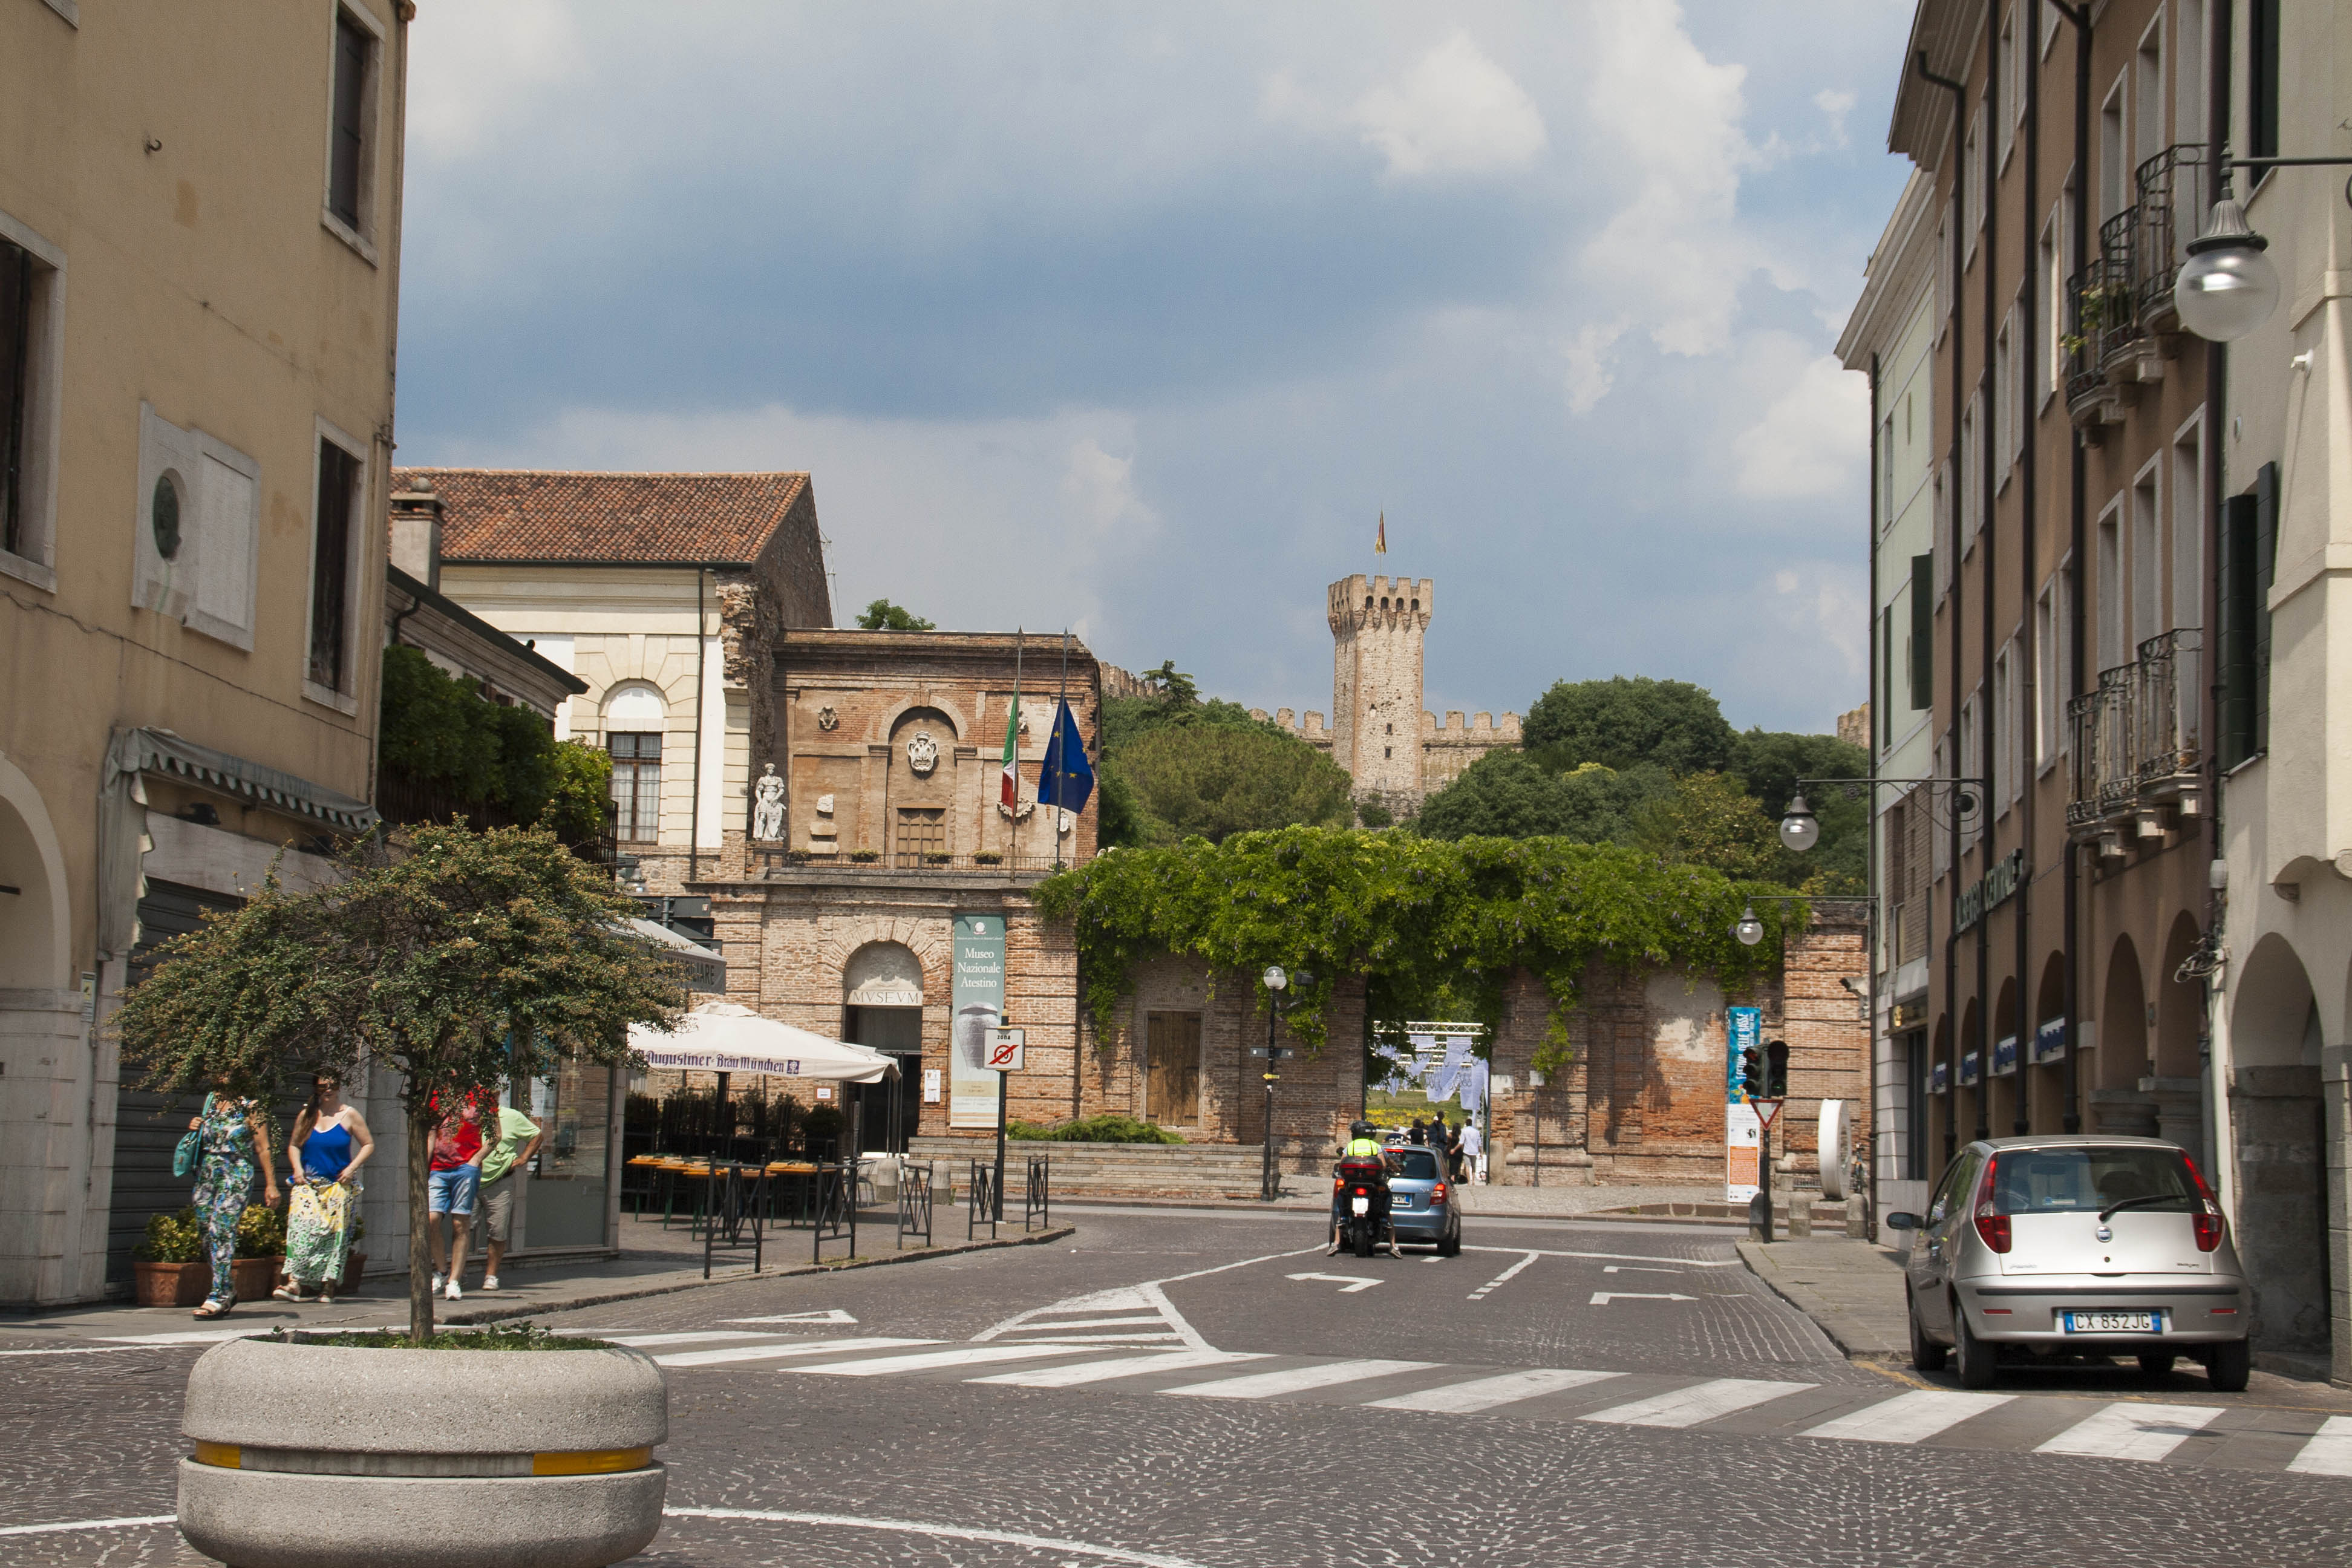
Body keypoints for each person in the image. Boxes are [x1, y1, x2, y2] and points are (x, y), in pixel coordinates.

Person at [275, 1072, 374, 1304]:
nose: (328, 1090)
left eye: (333, 1085)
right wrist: (297, 1169)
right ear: (315, 1088)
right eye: (322, 1086)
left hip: (337, 1187)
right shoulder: (307, 1115)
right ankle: (295, 1282)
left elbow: (368, 1144)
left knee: (335, 1236)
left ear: (340, 1087)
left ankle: (328, 1285)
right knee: (300, 1232)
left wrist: (351, 1169)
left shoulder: (350, 1115)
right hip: (308, 1186)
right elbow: (294, 1145)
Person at [185, 1077, 279, 1319]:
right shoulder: (210, 1104)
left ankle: (217, 1296)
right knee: (207, 1232)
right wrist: (196, 1125)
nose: (222, 1075)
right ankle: (227, 1287)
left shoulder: (251, 1106)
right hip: (207, 1174)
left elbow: (263, 1147)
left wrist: (271, 1185)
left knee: (222, 1229)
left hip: (236, 1173)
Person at [474, 1102, 543, 1293]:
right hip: (469, 1179)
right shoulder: (469, 1115)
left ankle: (491, 1276)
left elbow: (537, 1135)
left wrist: (524, 1158)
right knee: (462, 1228)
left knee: (497, 1229)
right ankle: (456, 1275)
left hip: (501, 1180)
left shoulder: (510, 1116)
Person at [426, 1095, 486, 1301]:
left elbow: (496, 1134)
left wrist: (476, 1159)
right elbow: (432, 1133)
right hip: (438, 1169)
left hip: (465, 1168)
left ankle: (454, 1280)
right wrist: (424, 1167)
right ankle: (442, 1271)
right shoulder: (436, 1095)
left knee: (460, 1224)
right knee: (431, 1220)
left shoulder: (482, 1096)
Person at [1328, 1120, 1397, 1256]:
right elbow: (1384, 1164)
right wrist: (1396, 1168)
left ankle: (1336, 1243)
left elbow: (1342, 1163)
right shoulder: (1375, 1146)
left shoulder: (1351, 1146)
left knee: (1341, 1199)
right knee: (1387, 1198)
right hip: (1373, 1183)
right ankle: (1393, 1245)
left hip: (1352, 1183)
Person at [1460, 1116, 1486, 1184]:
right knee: (1473, 1166)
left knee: (1467, 1166)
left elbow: (1462, 1142)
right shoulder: (1477, 1132)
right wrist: (1481, 1152)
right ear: (1471, 1123)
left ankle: (1469, 1181)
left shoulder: (1464, 1131)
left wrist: (1462, 1150)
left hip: (1467, 1151)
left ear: (1466, 1123)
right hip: (1475, 1151)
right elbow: (1479, 1144)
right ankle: (1473, 1180)